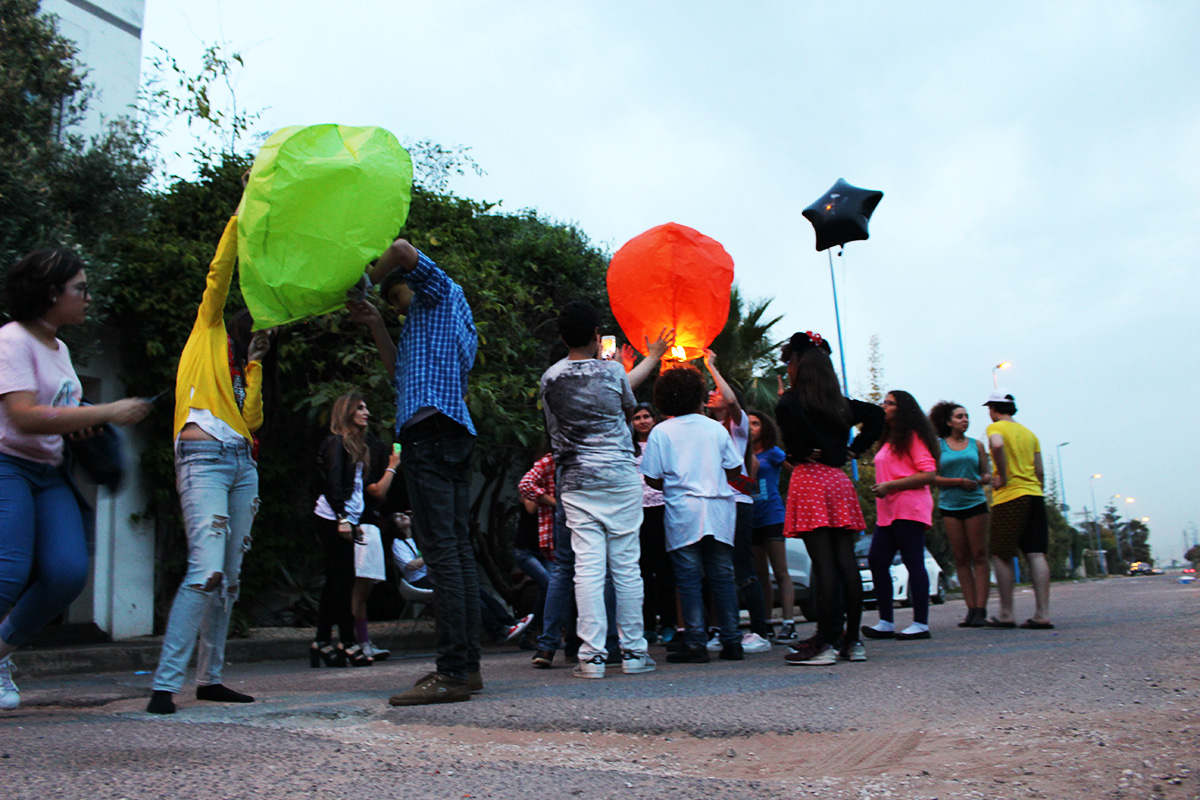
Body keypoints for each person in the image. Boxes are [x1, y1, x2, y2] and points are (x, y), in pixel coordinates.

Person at [0, 250, 152, 711]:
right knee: (8, 572)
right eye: (80, 289)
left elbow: (58, 410)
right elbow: (23, 417)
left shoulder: (60, 349)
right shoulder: (12, 340)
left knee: (67, 574)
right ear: (51, 293)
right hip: (8, 465)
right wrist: (109, 410)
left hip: (49, 471)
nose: (88, 297)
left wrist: (85, 419)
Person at [148, 218, 274, 714]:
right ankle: (164, 686)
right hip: (203, 458)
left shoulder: (241, 369)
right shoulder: (208, 330)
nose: (265, 333)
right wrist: (241, 215)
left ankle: (210, 679)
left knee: (230, 577)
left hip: (242, 461)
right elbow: (219, 273)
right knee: (206, 569)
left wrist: (257, 363)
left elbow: (252, 421)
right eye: (260, 329)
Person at [347, 237, 480, 706]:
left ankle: (452, 673)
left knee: (443, 555)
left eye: (394, 294)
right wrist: (377, 324)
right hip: (447, 434)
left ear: (410, 284)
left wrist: (365, 281)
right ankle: (467, 667)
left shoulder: (439, 293)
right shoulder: (425, 322)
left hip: (431, 436)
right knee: (456, 552)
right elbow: (400, 377)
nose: (394, 304)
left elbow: (402, 249)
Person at [539, 301, 668, 679]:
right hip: (619, 477)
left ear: (563, 337)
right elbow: (627, 402)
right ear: (597, 335)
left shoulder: (550, 378)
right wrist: (654, 356)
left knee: (587, 568)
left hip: (576, 482)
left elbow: (552, 429)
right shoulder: (612, 371)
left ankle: (592, 657)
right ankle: (634, 652)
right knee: (626, 566)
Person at [775, 331, 883, 666]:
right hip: (838, 481)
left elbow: (794, 448)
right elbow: (877, 415)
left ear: (799, 364)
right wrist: (853, 449)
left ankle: (825, 642)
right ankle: (852, 640)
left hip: (810, 482)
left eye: (790, 363)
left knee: (823, 566)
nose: (788, 369)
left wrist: (804, 451)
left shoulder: (790, 402)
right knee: (846, 563)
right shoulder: (839, 403)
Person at [640, 365, 745, 664]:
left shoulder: (661, 432)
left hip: (683, 511)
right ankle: (732, 641)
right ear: (698, 394)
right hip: (719, 509)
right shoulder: (715, 428)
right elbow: (734, 469)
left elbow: (651, 477)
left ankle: (696, 642)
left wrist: (674, 482)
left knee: (688, 580)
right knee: (722, 577)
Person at [310, 393, 399, 668]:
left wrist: (352, 519)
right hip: (333, 516)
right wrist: (343, 518)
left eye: (366, 407)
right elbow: (333, 483)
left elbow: (357, 489)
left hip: (348, 516)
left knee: (334, 581)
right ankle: (347, 642)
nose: (366, 412)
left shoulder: (358, 446)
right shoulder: (335, 442)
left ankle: (322, 641)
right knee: (344, 581)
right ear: (347, 412)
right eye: (360, 408)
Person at [702, 350, 772, 654]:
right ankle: (724, 630)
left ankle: (760, 631)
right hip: (712, 502)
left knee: (743, 569)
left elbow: (731, 401)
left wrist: (711, 366)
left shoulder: (738, 426)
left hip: (737, 501)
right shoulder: (704, 427)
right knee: (716, 570)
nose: (712, 393)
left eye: (716, 391)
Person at [861, 391, 939, 642]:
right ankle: (885, 621)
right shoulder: (888, 438)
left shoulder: (912, 437)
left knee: (913, 561)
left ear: (903, 409)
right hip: (888, 511)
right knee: (877, 561)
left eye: (889, 403)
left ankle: (920, 623)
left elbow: (928, 474)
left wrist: (890, 485)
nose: (884, 406)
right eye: (883, 402)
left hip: (909, 506)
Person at [982, 391, 1053, 629]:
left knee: (1002, 554)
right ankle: (1042, 614)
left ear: (993, 409)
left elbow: (997, 445)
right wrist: (1036, 488)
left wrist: (1002, 475)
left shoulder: (996, 428)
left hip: (1009, 497)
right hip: (1034, 495)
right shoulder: (1029, 434)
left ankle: (1006, 613)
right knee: (1036, 553)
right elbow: (1040, 470)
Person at [928, 401, 992, 628]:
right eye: (959, 416)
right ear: (948, 422)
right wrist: (958, 481)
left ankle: (981, 609)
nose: (965, 420)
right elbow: (932, 477)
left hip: (975, 503)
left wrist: (982, 480)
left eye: (966, 416)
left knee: (979, 555)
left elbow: (986, 473)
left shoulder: (977, 445)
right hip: (950, 506)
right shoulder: (939, 447)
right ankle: (971, 608)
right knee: (961, 557)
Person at [747, 410, 796, 642]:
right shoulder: (740, 453)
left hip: (772, 516)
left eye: (755, 423)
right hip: (751, 518)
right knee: (760, 575)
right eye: (747, 424)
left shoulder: (773, 452)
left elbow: (796, 472)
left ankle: (789, 623)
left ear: (764, 428)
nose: (751, 428)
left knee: (781, 572)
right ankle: (765, 624)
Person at [630, 402, 675, 643]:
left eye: (646, 416)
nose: (642, 421)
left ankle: (668, 623)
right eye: (637, 417)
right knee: (643, 570)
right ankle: (647, 625)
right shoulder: (627, 448)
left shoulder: (662, 443)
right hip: (636, 512)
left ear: (654, 419)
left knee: (665, 568)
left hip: (662, 507)